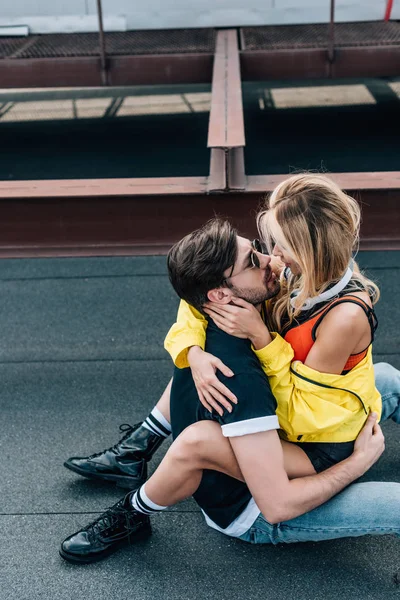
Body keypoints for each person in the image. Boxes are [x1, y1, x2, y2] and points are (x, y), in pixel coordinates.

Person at [60, 217, 400, 565]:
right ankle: (132, 509)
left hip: (280, 441)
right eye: (253, 260)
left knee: (386, 378)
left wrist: (192, 353)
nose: (272, 259)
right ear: (220, 293)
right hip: (258, 512)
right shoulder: (238, 376)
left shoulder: (210, 313)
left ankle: (135, 450)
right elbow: (279, 504)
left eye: (258, 247)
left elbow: (190, 300)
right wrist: (358, 463)